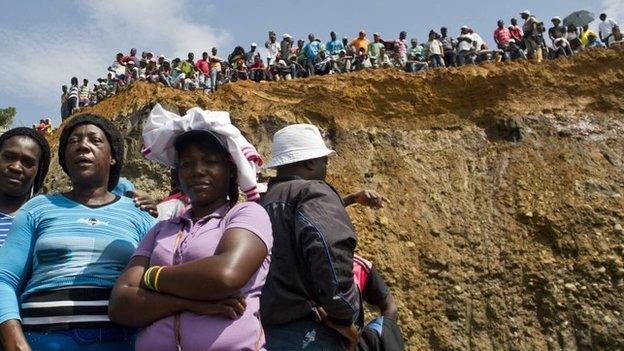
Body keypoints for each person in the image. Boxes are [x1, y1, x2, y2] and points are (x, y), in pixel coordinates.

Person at [110, 104, 270, 351]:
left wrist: (151, 277)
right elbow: (120, 305)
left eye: (210, 161)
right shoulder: (161, 229)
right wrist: (194, 304)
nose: (197, 171)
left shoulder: (247, 214)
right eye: (187, 164)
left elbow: (225, 275)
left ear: (230, 169)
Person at [0, 115, 156, 351]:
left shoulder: (141, 215)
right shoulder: (37, 208)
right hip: (41, 341)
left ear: (113, 156)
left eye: (95, 140)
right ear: (64, 157)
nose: (83, 146)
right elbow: (5, 280)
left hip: (123, 341)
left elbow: (160, 278)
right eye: (74, 141)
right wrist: (16, 343)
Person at [260, 124, 360, 350]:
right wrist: (344, 317)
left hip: (267, 331)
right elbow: (329, 250)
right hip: (310, 333)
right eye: (324, 160)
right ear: (310, 162)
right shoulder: (314, 191)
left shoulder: (262, 202)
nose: (326, 166)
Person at [0, 128, 50, 248]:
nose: (16, 167)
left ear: (39, 170)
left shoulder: (44, 223)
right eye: (8, 157)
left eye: (28, 162)